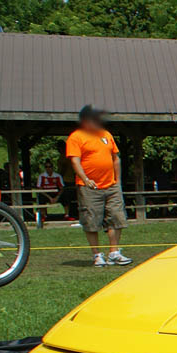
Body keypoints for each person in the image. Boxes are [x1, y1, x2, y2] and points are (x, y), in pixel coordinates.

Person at [66, 105, 131, 267]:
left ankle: (114, 253)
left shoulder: (106, 135)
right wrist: (86, 179)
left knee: (116, 218)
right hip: (89, 187)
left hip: (111, 185)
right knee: (91, 221)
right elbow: (75, 160)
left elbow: (116, 158)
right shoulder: (76, 137)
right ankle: (97, 255)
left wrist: (118, 181)